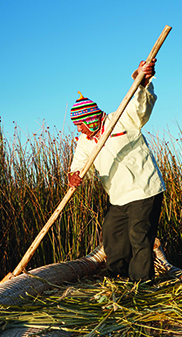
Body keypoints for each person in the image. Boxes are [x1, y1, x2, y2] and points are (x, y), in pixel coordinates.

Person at [67, 59, 165, 281]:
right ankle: (116, 278)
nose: (79, 128)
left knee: (139, 236)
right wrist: (75, 176)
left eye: (80, 124)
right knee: (113, 235)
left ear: (90, 118)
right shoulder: (85, 140)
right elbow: (80, 165)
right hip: (117, 196)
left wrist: (142, 80)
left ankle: (141, 284)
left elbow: (140, 105)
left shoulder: (121, 120)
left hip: (144, 189)